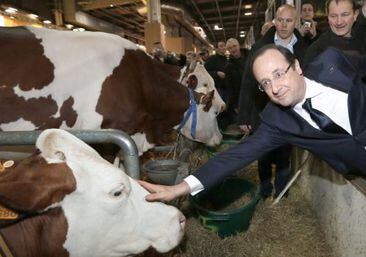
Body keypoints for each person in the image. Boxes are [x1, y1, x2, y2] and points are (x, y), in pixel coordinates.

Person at [139, 44, 366, 202]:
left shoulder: (333, 61)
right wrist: (180, 188)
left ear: (296, 67)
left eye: (278, 74)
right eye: (265, 83)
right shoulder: (278, 121)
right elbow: (234, 157)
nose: (275, 88)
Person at [237, 4, 307, 198]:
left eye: (289, 21)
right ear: (274, 21)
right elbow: (248, 82)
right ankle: (265, 189)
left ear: (296, 22)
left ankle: (281, 192)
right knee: (263, 153)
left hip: (291, 112)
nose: (284, 25)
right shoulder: (260, 47)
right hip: (263, 108)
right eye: (280, 20)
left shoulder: (303, 48)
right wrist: (244, 115)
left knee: (285, 153)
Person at [303, 0, 366, 67]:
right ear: (328, 16)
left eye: (345, 15)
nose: (339, 22)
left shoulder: (362, 36)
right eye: (333, 16)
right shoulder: (316, 50)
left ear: (355, 15)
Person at [224, 38, 249, 125]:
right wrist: (235, 105)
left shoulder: (251, 56)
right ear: (228, 50)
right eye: (230, 48)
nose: (233, 49)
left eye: (234, 46)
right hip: (241, 99)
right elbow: (230, 88)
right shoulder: (228, 67)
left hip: (256, 96)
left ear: (239, 45)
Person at [204, 41, 229, 127]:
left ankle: (222, 127)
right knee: (217, 109)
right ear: (217, 49)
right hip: (217, 89)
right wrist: (216, 73)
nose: (223, 48)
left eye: (224, 46)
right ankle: (215, 127)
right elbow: (205, 71)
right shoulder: (213, 58)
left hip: (226, 88)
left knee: (225, 109)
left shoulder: (226, 58)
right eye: (221, 46)